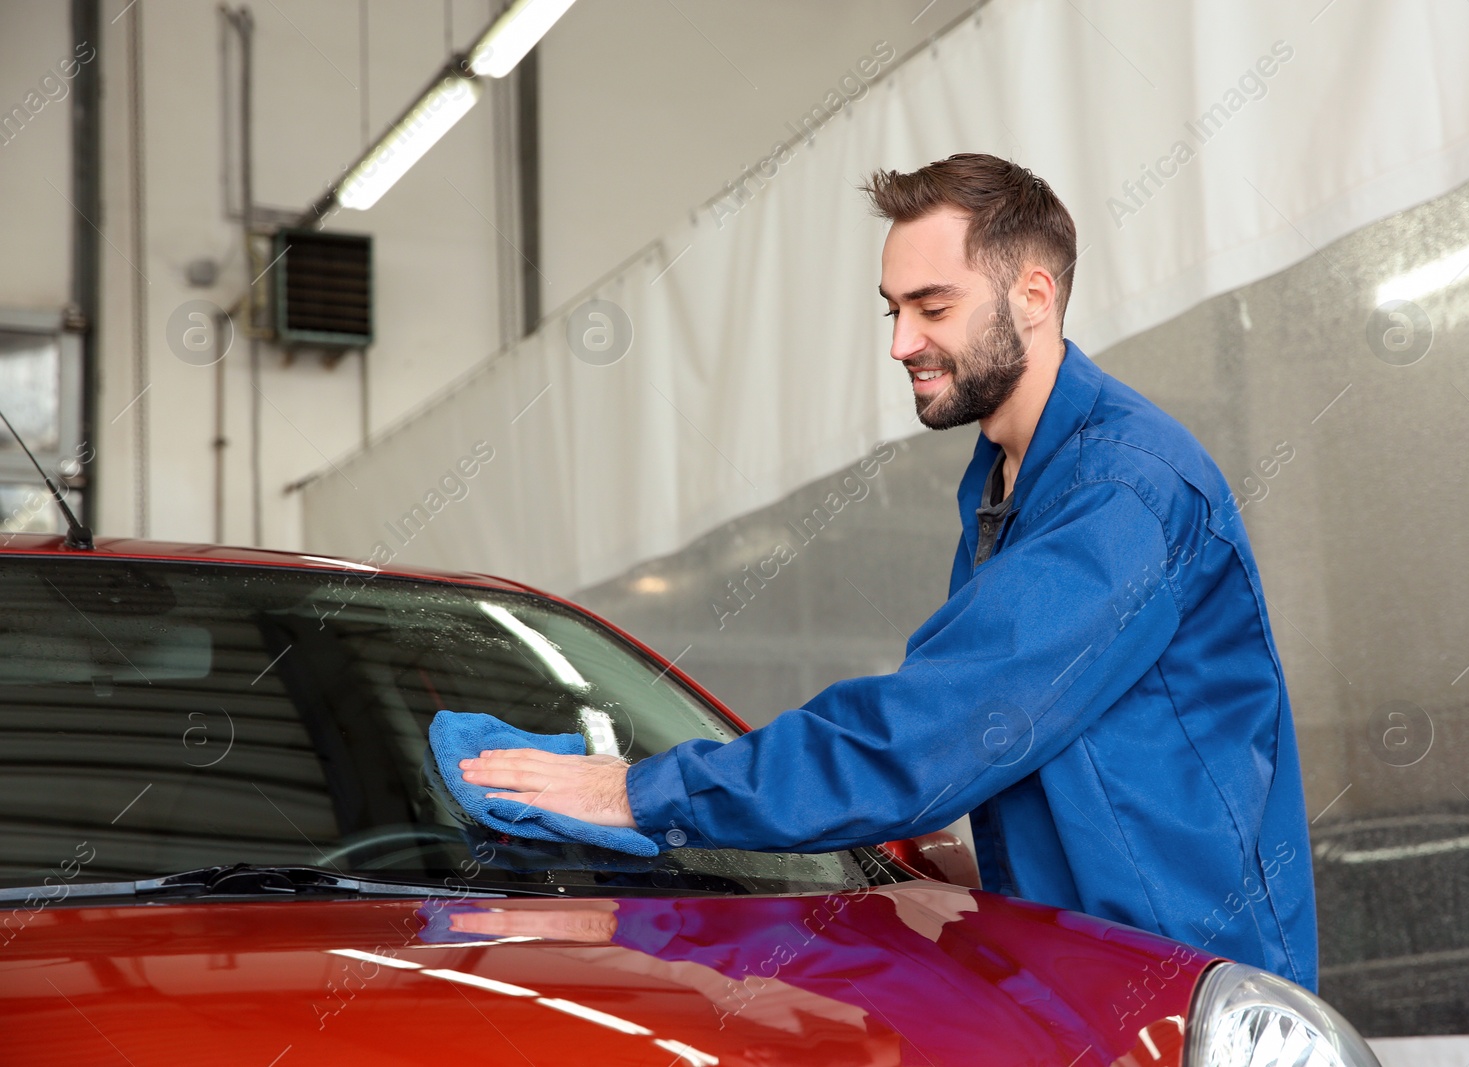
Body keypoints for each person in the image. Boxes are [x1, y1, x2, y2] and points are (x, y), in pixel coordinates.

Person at [460, 152, 1319, 990]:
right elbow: (1028, 734)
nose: (903, 342)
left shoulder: (1123, 491)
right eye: (892, 311)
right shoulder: (1009, 484)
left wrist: (643, 791)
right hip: (1077, 967)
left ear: (1033, 297)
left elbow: (932, 729)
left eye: (933, 306)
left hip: (1177, 991)